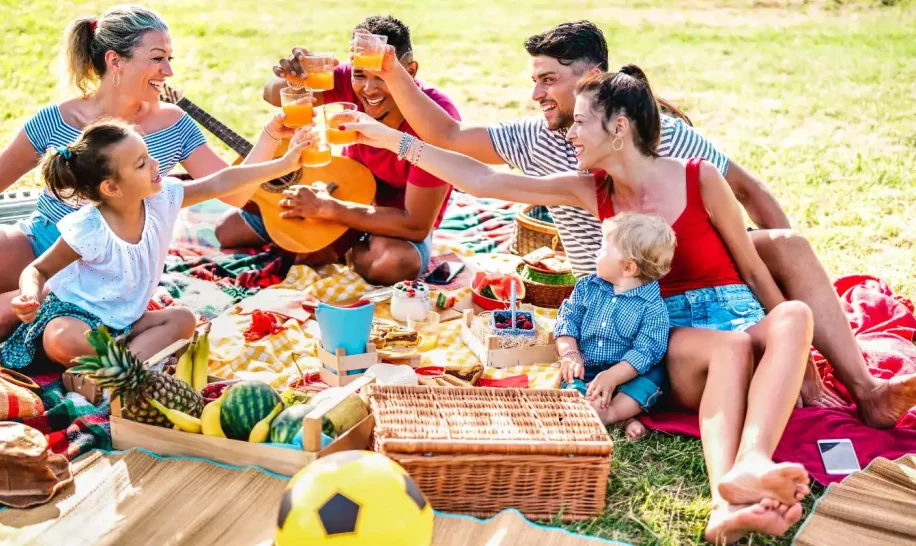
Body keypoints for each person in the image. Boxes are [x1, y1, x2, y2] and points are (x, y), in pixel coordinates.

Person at [340, 66, 817, 542]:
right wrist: (392, 140)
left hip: (741, 318)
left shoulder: (700, 176)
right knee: (731, 347)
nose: (570, 133)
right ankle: (726, 498)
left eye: (581, 122)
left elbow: (753, 269)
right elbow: (482, 181)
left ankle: (752, 462)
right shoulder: (589, 189)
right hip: (688, 346)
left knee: (794, 315)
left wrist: (799, 354)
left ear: (620, 128)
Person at [363, 20, 916, 427]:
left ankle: (863, 387)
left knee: (788, 248)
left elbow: (747, 193)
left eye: (548, 80)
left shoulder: (662, 138)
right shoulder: (549, 149)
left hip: (700, 267)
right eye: (534, 80)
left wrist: (794, 324)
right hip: (627, 283)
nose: (536, 94)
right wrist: (392, 117)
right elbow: (464, 157)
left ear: (599, 90)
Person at [0, 5, 258, 357]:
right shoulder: (57, 119)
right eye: (157, 58)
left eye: (169, 59)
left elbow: (234, 190)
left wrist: (275, 137)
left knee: (4, 312)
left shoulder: (174, 124)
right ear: (115, 60)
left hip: (102, 277)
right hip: (43, 242)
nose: (168, 72)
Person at [1, 118, 314, 368]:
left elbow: (222, 181)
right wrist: (29, 294)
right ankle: (134, 368)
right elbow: (37, 271)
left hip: (126, 324)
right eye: (140, 164)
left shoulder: (163, 199)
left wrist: (282, 166)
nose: (155, 165)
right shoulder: (89, 229)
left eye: (148, 154)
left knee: (183, 319)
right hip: (78, 319)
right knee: (60, 338)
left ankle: (116, 375)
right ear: (111, 187)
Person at [214, 15, 460, 286]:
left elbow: (416, 224)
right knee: (228, 231)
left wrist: (327, 209)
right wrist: (294, 80)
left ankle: (337, 249)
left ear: (410, 71)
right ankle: (327, 243)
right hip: (343, 188)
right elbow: (272, 95)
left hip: (393, 222)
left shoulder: (435, 119)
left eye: (381, 76)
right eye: (360, 75)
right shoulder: (346, 79)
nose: (368, 89)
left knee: (394, 264)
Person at [556, 213, 675, 441]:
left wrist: (613, 376)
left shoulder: (653, 307)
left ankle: (612, 413)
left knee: (654, 377)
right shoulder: (587, 287)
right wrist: (570, 354)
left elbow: (645, 352)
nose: (596, 253)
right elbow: (567, 320)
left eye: (602, 250)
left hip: (628, 373)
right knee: (572, 377)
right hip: (587, 365)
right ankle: (591, 405)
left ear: (628, 267)